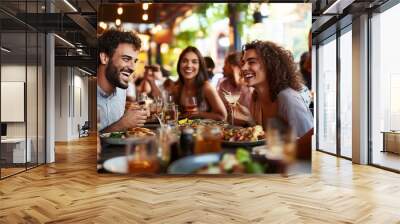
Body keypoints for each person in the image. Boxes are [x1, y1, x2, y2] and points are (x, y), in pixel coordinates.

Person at [239, 40, 313, 140]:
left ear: (270, 65)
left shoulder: (288, 98)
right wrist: (248, 119)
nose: (243, 68)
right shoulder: (255, 97)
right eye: (243, 62)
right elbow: (260, 136)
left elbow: (309, 142)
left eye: (251, 62)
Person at [97, 29, 148, 132]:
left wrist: (133, 115)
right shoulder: (84, 94)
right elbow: (86, 142)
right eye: (126, 59)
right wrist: (122, 124)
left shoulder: (121, 90)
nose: (133, 67)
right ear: (105, 58)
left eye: (135, 61)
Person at [172, 46, 227, 121]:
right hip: (183, 131)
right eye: (184, 61)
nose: (189, 65)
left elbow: (223, 116)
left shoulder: (206, 87)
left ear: (200, 66)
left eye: (194, 62)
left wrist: (199, 113)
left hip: (206, 131)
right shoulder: (177, 88)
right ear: (179, 65)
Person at [217, 51, 253, 125]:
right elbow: (221, 111)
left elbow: (250, 116)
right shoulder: (223, 85)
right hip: (227, 126)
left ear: (233, 66)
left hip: (247, 126)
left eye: (225, 64)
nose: (223, 68)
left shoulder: (249, 86)